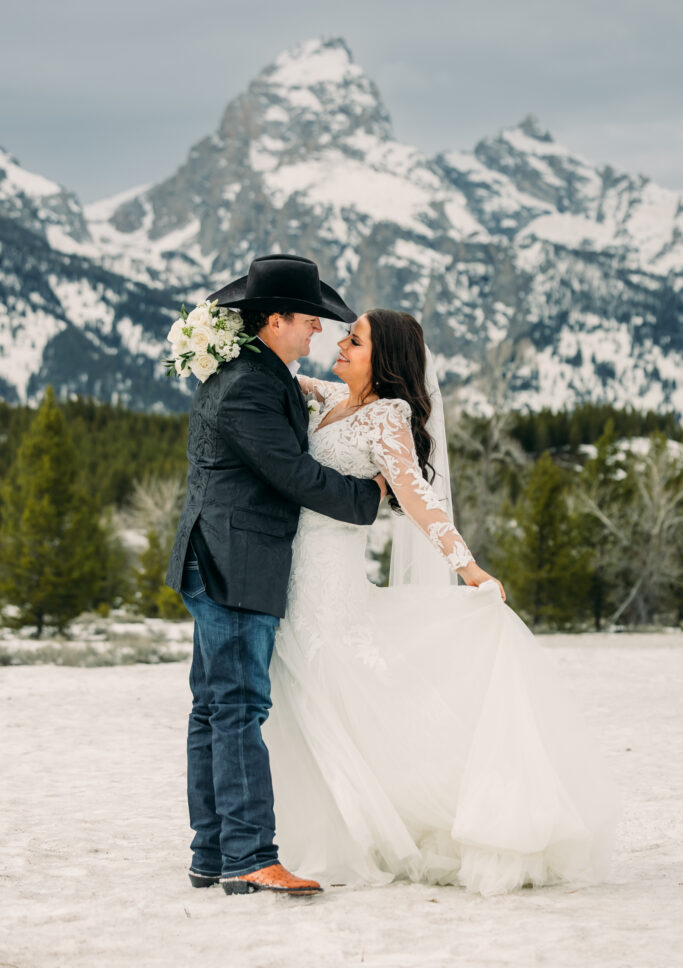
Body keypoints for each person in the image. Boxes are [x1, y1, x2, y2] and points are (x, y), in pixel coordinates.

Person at [261, 308, 619, 897]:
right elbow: (277, 367)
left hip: (332, 584)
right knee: (303, 700)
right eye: (346, 336)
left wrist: (470, 569)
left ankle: (413, 822)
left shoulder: (387, 417)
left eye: (356, 340)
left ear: (386, 359)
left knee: (334, 690)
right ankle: (323, 832)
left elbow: (420, 500)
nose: (341, 344)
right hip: (295, 575)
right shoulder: (328, 397)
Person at [165, 254, 387, 895]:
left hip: (225, 557)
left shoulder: (260, 373)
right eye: (310, 320)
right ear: (277, 319)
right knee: (235, 707)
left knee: (214, 708)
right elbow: (293, 473)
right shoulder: (248, 387)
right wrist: (370, 495)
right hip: (234, 561)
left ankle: (215, 853)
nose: (319, 332)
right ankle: (248, 857)